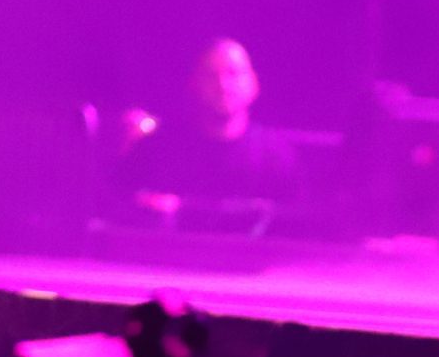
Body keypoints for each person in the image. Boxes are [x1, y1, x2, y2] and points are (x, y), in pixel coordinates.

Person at [113, 37, 302, 225]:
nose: (223, 85)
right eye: (211, 75)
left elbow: (296, 224)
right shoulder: (158, 149)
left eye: (233, 73)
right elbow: (117, 206)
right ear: (194, 84)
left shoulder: (277, 156)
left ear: (254, 84)